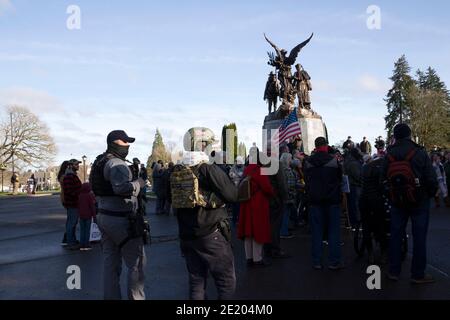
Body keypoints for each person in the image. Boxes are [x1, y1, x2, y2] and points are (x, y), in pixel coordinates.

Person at [171, 128, 238, 300]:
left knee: (196, 283)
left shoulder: (177, 169)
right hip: (210, 233)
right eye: (209, 144)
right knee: (225, 281)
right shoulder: (207, 169)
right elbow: (232, 195)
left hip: (186, 234)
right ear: (202, 145)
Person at [91, 130, 147, 300]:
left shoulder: (100, 161)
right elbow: (121, 188)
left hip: (104, 216)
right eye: (125, 142)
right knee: (137, 263)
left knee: (110, 264)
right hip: (121, 219)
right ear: (114, 142)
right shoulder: (116, 163)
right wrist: (139, 183)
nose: (128, 145)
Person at [382, 123, 437, 284]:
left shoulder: (389, 154)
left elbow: (382, 179)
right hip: (419, 200)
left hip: (397, 202)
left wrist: (391, 195)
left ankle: (394, 271)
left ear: (395, 136)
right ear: (409, 135)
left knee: (396, 236)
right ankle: (418, 274)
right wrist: (429, 195)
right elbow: (431, 178)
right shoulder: (419, 152)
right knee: (419, 237)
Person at [304, 137, 344, 270]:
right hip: (332, 200)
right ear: (326, 145)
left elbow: (307, 180)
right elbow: (340, 178)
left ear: (315, 146)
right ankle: (334, 261)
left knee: (317, 232)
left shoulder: (308, 162)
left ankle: (317, 261)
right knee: (333, 231)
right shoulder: (334, 161)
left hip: (315, 200)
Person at [238, 151, 274, 266]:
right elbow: (267, 188)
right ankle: (257, 258)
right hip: (258, 203)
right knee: (258, 231)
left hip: (246, 203)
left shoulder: (246, 169)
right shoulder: (260, 170)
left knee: (248, 232)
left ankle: (249, 257)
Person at [62, 159, 83, 250]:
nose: (78, 166)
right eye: (76, 164)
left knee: (72, 222)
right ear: (70, 166)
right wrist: (80, 194)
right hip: (72, 203)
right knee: (72, 223)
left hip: (74, 203)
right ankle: (70, 242)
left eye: (78, 164)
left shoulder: (72, 175)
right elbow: (70, 191)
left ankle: (72, 240)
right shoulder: (69, 176)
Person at [344, 148, 363, 230]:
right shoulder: (353, 163)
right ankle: (357, 224)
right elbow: (358, 176)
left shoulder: (349, 161)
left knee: (352, 205)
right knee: (356, 206)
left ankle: (354, 223)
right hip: (355, 186)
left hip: (352, 186)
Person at [279, 153, 297, 239]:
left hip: (285, 196)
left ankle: (284, 229)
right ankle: (284, 231)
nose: (291, 160)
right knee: (286, 214)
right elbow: (289, 185)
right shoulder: (287, 171)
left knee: (285, 214)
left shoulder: (281, 170)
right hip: (288, 196)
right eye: (290, 159)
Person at [78, 182, 96, 251]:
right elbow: (92, 207)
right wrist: (94, 216)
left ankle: (82, 244)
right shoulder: (89, 196)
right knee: (87, 231)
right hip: (88, 216)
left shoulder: (80, 195)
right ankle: (86, 244)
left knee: (82, 230)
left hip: (81, 216)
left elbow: (78, 206)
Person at [229, 156, 245, 225]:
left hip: (241, 190)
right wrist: (238, 176)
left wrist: (236, 176)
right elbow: (231, 175)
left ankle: (239, 219)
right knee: (235, 206)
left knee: (240, 206)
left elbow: (245, 176)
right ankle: (234, 220)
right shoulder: (233, 167)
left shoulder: (244, 168)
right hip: (234, 189)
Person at [57, 161, 70, 246]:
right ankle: (67, 238)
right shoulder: (64, 177)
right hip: (66, 197)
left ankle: (68, 237)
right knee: (71, 219)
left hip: (63, 197)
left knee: (70, 218)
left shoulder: (61, 176)